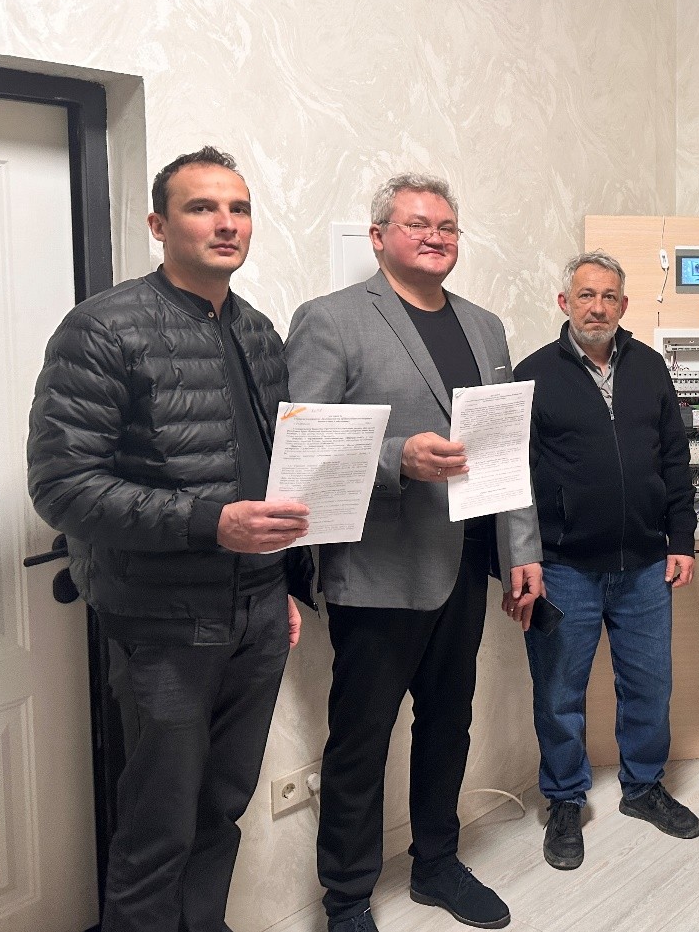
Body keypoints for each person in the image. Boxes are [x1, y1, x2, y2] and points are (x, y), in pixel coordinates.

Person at [28, 146, 312, 932]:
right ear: (158, 225)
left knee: (223, 805)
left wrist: (281, 585)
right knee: (159, 824)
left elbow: (276, 473)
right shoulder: (103, 328)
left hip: (258, 612)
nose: (226, 222)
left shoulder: (258, 332)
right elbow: (62, 486)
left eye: (239, 208)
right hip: (165, 622)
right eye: (202, 206)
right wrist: (207, 519)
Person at [285, 173, 544, 932]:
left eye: (448, 227)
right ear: (378, 238)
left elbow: (505, 448)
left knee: (447, 723)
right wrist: (398, 457)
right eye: (417, 224)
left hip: (464, 564)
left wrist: (521, 547)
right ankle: (346, 900)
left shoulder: (486, 327)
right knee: (360, 742)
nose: (436, 236)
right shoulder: (331, 320)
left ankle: (436, 863)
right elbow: (304, 445)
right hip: (378, 571)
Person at [514, 251, 699, 871]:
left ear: (623, 304)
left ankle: (643, 787)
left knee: (649, 685)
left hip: (646, 563)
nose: (597, 308)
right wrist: (524, 557)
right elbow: (516, 477)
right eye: (586, 295)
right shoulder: (533, 374)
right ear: (565, 302)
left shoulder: (649, 367)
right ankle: (564, 800)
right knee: (559, 693)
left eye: (609, 297)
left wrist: (681, 539)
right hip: (564, 566)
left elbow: (675, 457)